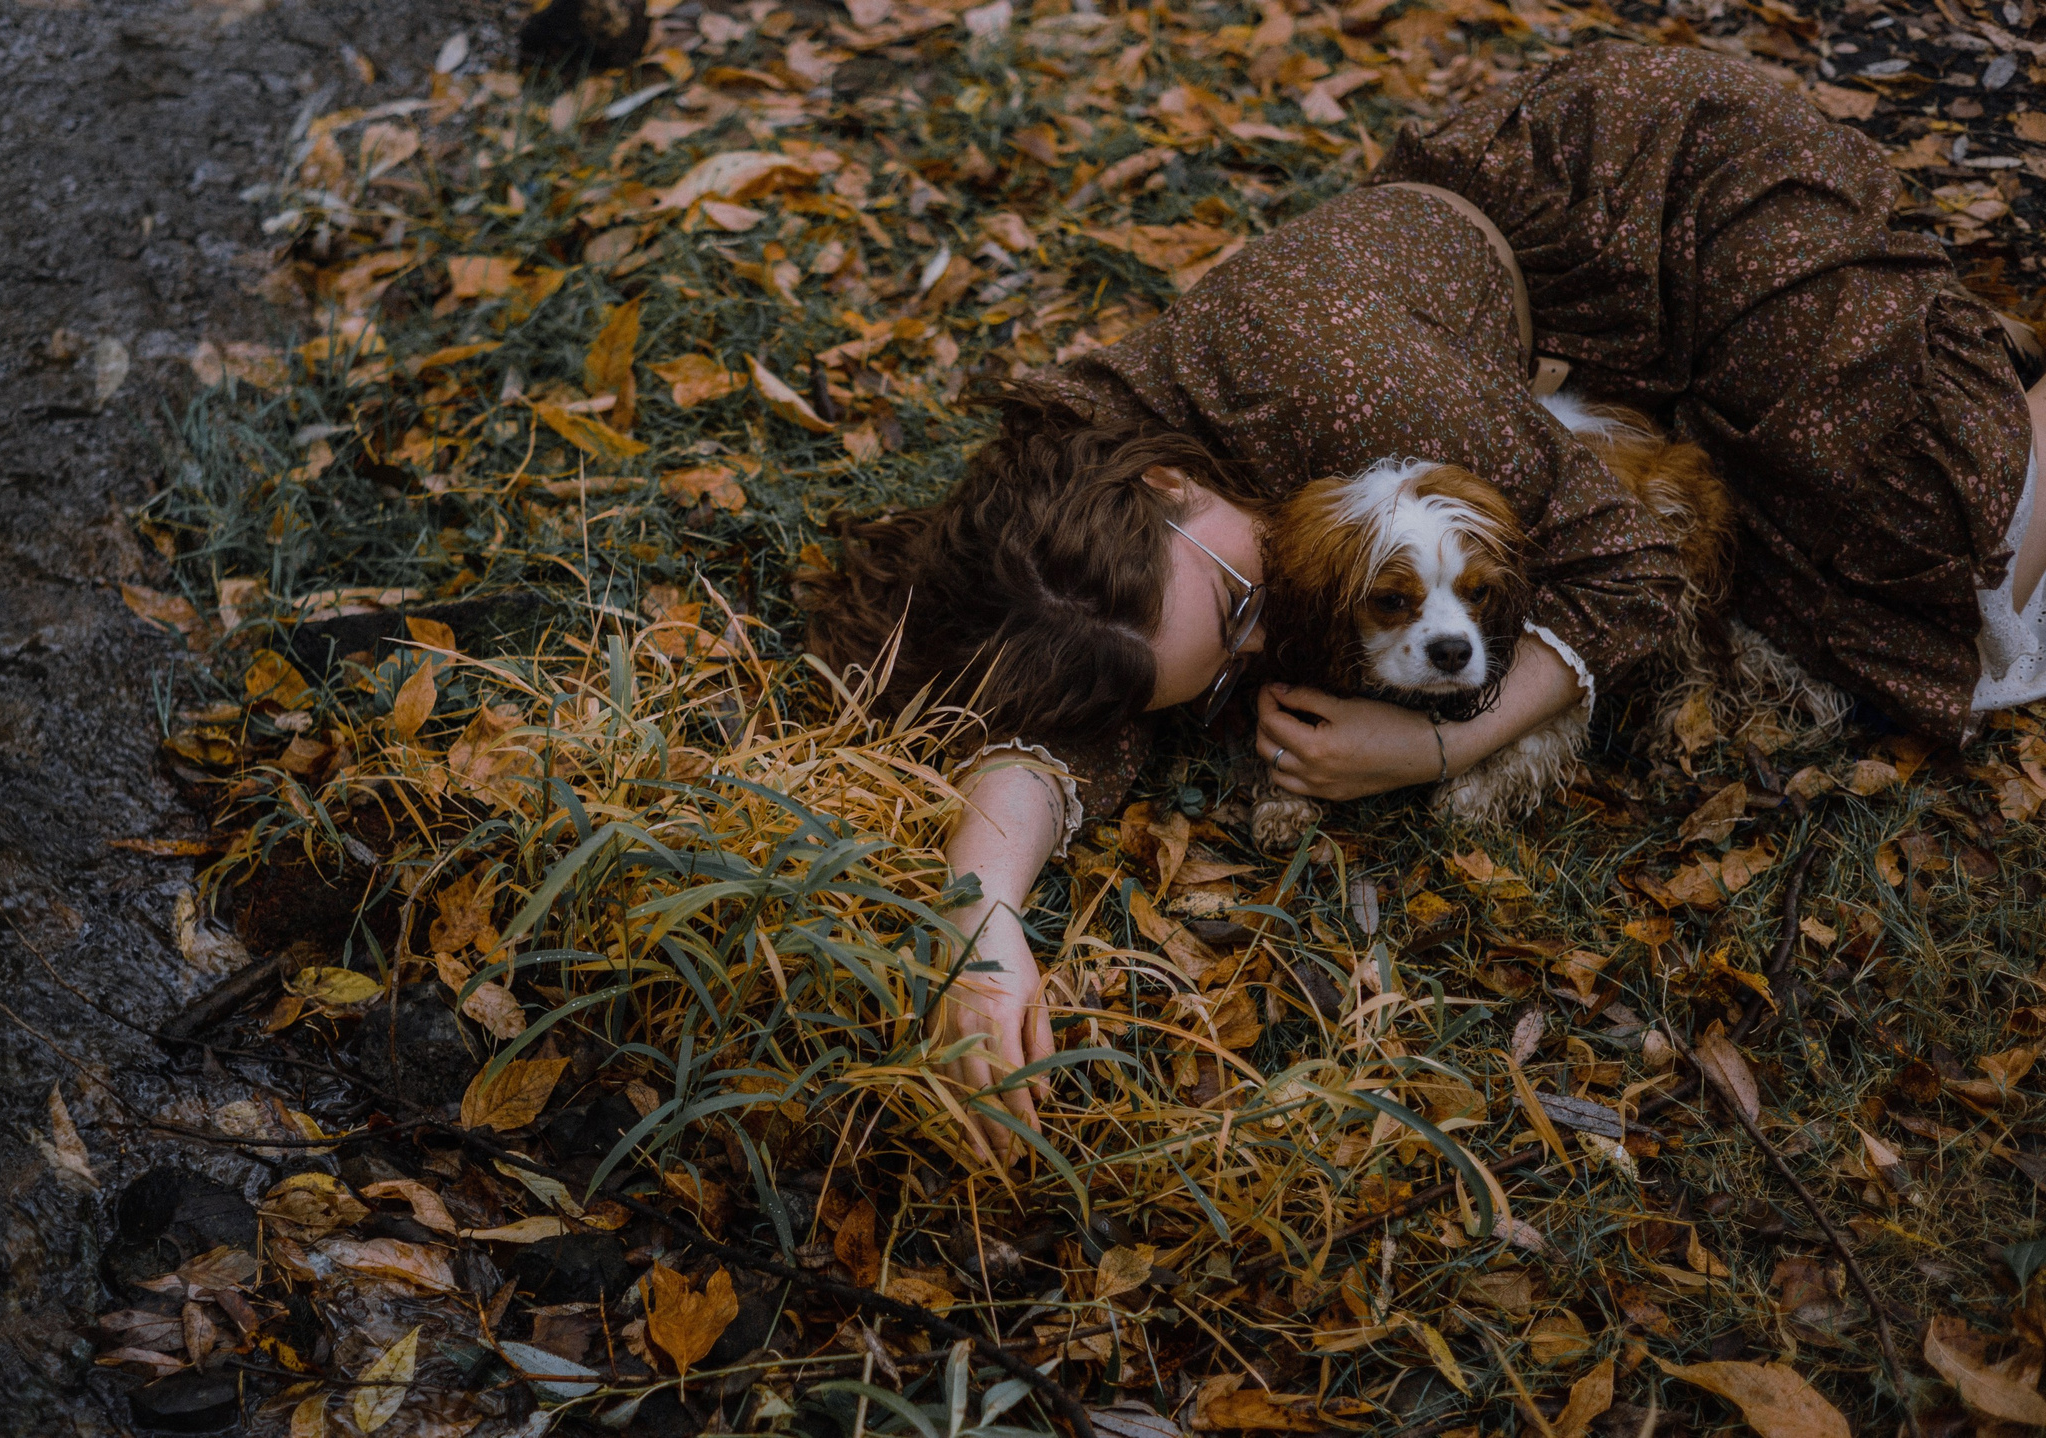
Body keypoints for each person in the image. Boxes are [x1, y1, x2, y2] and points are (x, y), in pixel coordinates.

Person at [799, 40, 2046, 1151]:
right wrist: (982, 918)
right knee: (1779, 551)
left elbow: (1632, 564)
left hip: (1676, 186)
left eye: (1240, 609)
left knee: (1934, 545)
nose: (1257, 651)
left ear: (1178, 482)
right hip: (1521, 316)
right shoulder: (1072, 497)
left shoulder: (1332, 393)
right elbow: (1068, 718)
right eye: (1223, 668)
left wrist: (1440, 739)